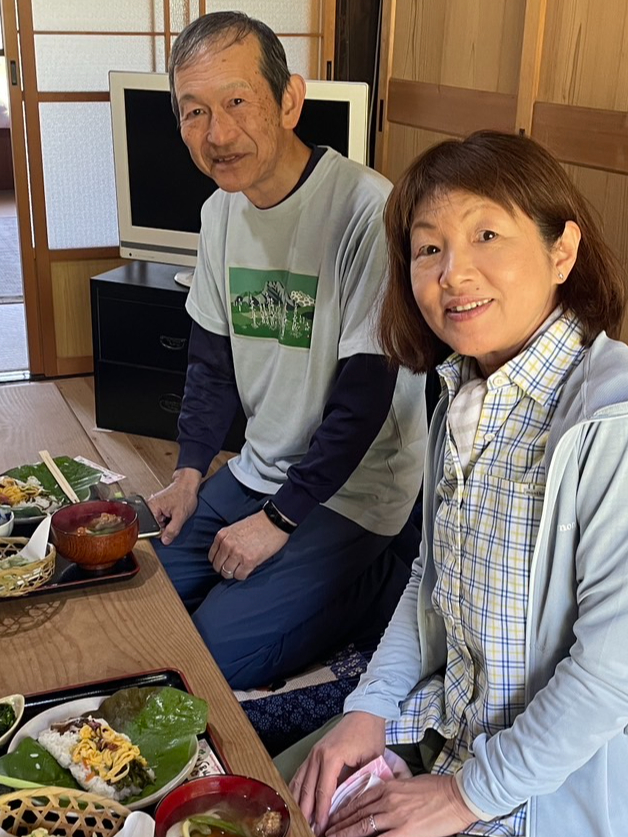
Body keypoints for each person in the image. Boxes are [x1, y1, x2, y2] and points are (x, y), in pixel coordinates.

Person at [286, 131, 628, 837]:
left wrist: (462, 796)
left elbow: (617, 671)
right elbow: (430, 578)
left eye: (486, 233)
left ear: (561, 251)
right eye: (428, 248)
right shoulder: (459, 390)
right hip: (454, 736)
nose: (453, 272)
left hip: (560, 794)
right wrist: (365, 708)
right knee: (263, 800)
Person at [146, 12, 427, 690]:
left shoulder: (366, 209)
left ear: (289, 100)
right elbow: (210, 363)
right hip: (257, 470)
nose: (216, 133)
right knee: (137, 593)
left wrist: (276, 521)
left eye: (236, 102)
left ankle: (388, 576)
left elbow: (364, 400)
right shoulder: (220, 213)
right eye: (193, 111)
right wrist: (187, 473)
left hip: (354, 493)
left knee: (212, 656)